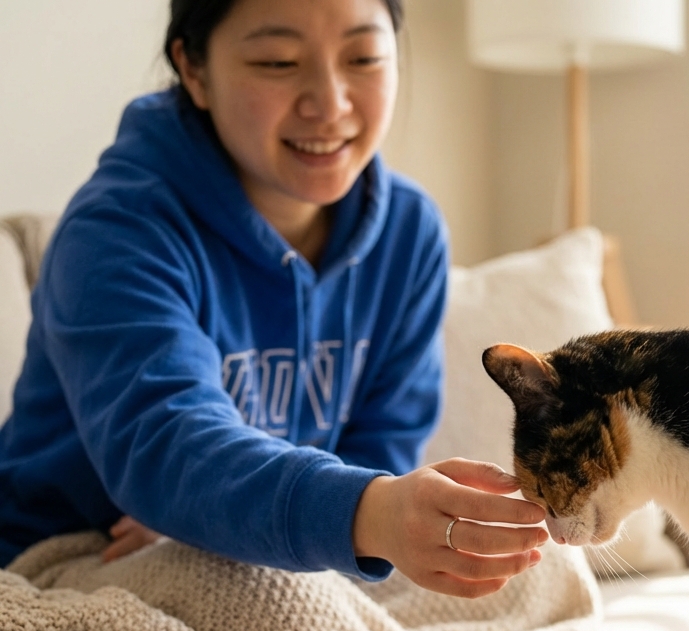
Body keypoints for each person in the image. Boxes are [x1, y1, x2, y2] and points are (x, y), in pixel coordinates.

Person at [0, 0, 548, 598]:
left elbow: (381, 448)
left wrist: (375, 515)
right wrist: (370, 513)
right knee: (256, 600)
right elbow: (166, 442)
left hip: (284, 544)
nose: (330, 104)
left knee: (538, 578)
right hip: (74, 556)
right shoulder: (116, 231)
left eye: (362, 57)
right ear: (194, 69)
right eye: (278, 61)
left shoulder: (408, 233)